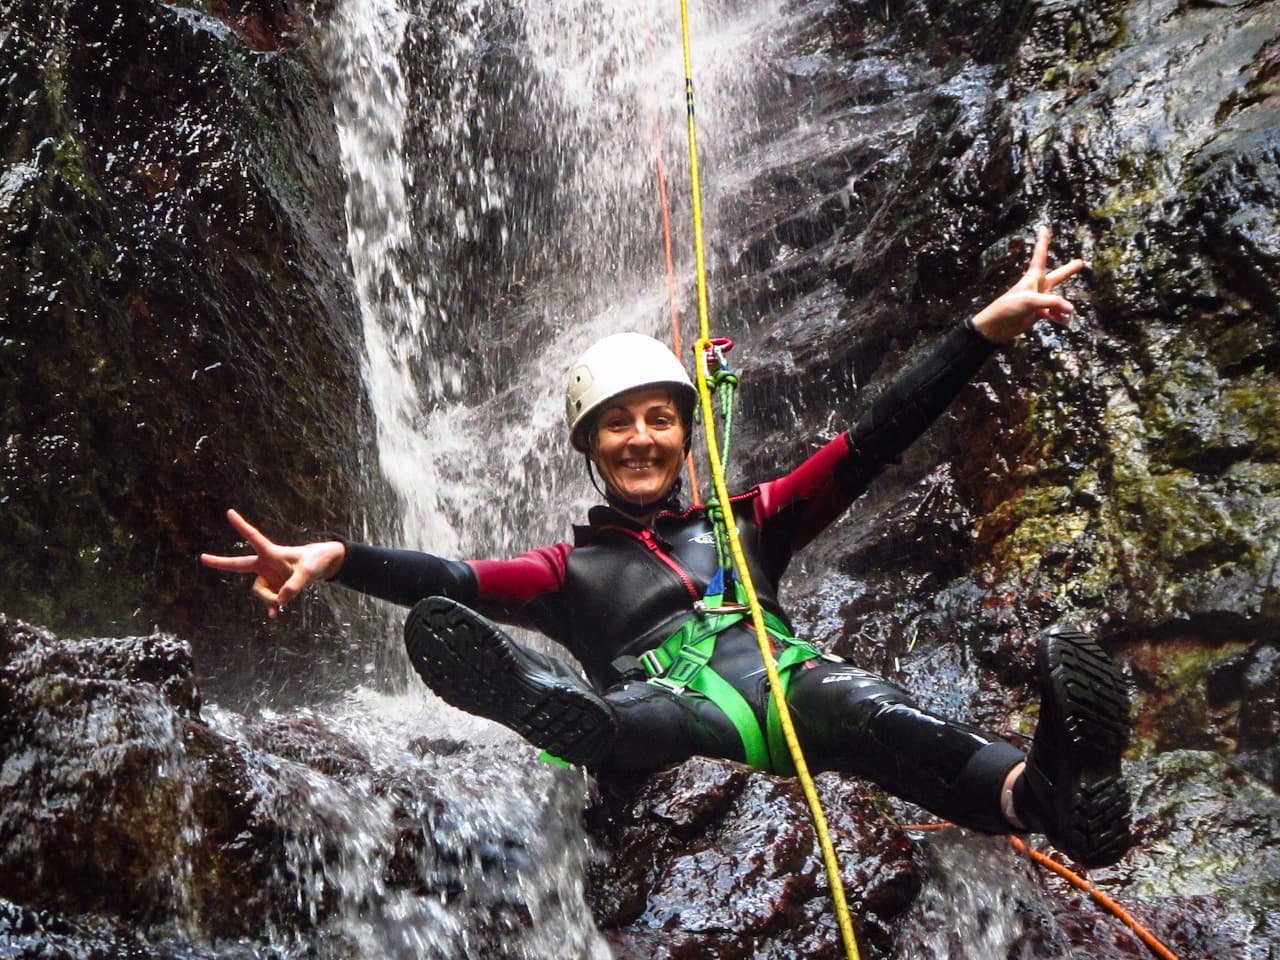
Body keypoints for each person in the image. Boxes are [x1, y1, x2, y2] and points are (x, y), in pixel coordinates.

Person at [202, 226, 1132, 868]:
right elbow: (453, 579)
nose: (640, 437)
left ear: (687, 435)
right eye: (616, 426)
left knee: (881, 715)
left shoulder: (751, 518)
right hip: (670, 709)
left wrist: (981, 333)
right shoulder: (568, 571)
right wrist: (336, 557)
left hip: (787, 684)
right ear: (591, 449)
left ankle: (1051, 794)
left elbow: (873, 439)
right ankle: (549, 708)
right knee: (642, 719)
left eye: (658, 419)